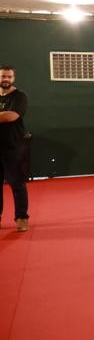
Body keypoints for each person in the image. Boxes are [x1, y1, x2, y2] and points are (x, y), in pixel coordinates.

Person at [0, 65, 30, 232]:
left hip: (14, 147)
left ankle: (22, 218)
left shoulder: (20, 96)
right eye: (3, 76)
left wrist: (5, 115)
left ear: (13, 78)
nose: (6, 79)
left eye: (9, 76)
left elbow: (12, 116)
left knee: (17, 184)